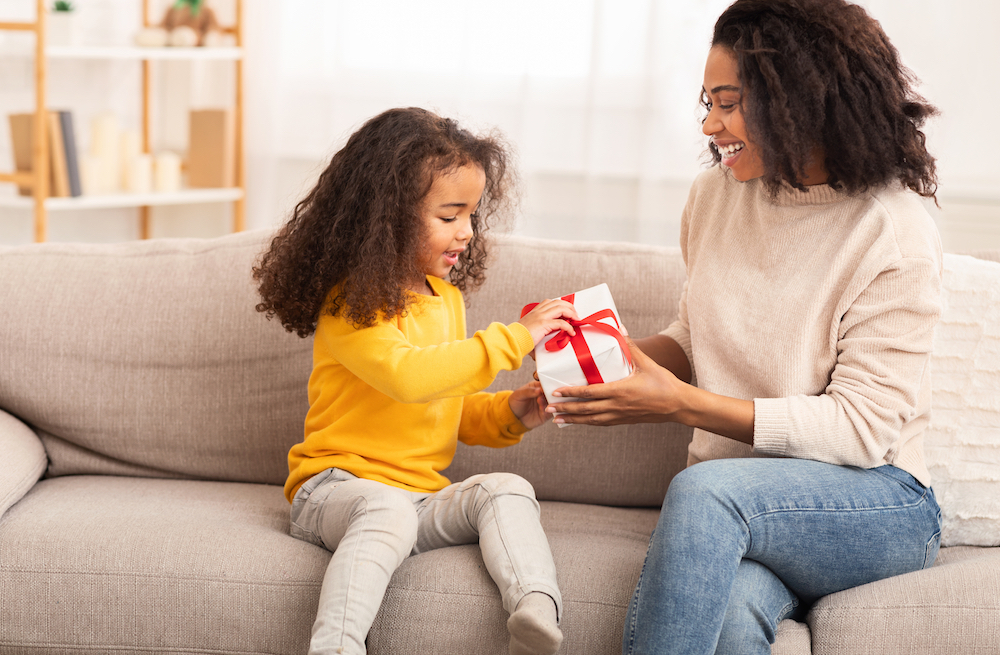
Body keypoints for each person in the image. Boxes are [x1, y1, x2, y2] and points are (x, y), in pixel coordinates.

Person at [543, 1, 944, 653]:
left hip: (878, 500)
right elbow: (695, 337)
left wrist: (680, 404)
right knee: (726, 623)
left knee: (704, 492)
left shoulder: (890, 229)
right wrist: (596, 362)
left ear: (799, 98)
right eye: (706, 101)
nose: (709, 124)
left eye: (728, 103)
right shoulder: (713, 197)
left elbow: (864, 428)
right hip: (746, 506)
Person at [253, 107, 576, 655]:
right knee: (385, 510)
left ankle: (534, 609)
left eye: (472, 215)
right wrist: (514, 338)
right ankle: (335, 647)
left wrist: (512, 413)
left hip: (417, 501)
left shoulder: (445, 299)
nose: (467, 233)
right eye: (450, 216)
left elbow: (446, 402)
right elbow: (408, 378)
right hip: (334, 490)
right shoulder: (351, 303)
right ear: (388, 217)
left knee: (507, 489)